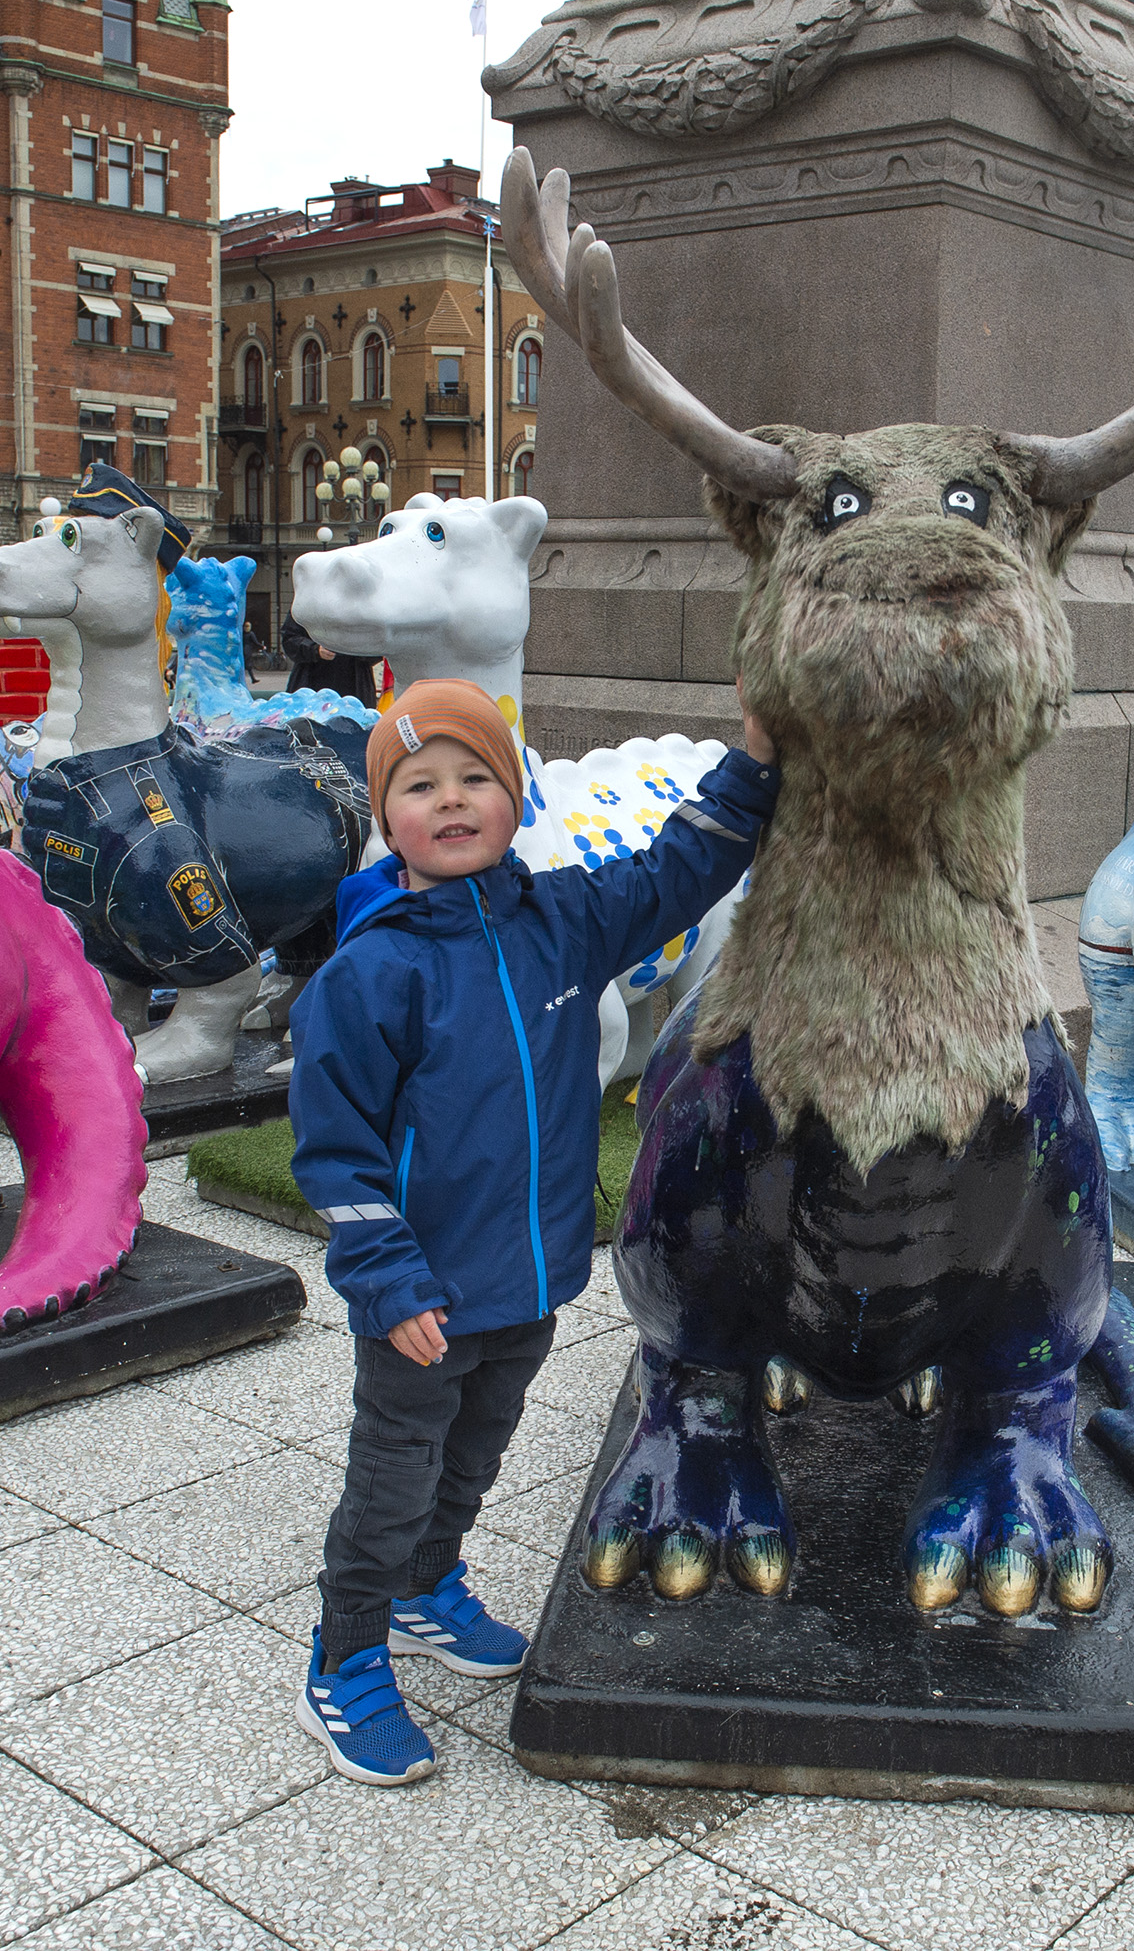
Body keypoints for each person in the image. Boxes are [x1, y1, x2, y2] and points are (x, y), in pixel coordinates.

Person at [286, 675, 778, 1787]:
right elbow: (335, 1148)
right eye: (420, 785)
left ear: (513, 799)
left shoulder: (559, 923)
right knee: (392, 1479)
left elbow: (682, 867)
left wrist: (755, 753)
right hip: (422, 1297)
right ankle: (347, 1653)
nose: (451, 802)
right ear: (388, 817)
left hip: (530, 1280)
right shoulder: (372, 972)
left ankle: (426, 1587)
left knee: (474, 1457)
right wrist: (388, 1281)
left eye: (476, 779)